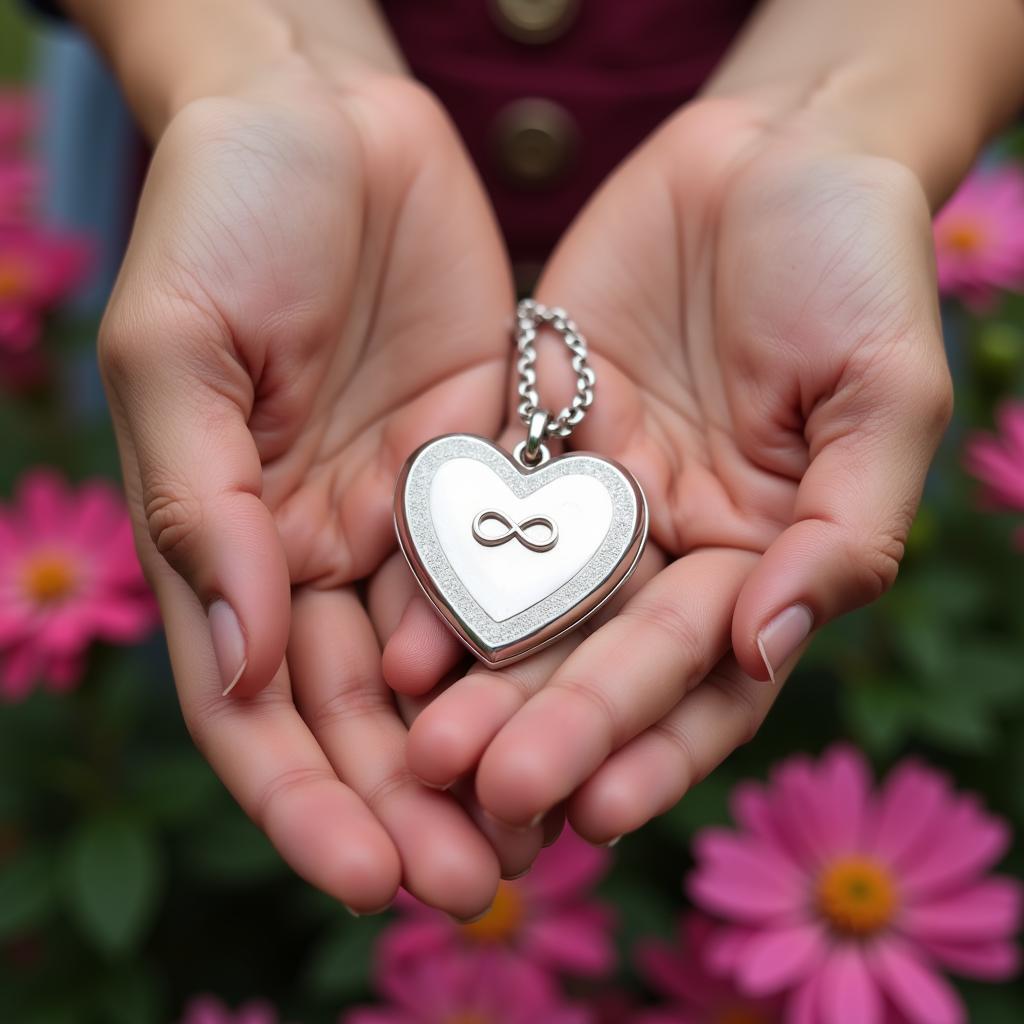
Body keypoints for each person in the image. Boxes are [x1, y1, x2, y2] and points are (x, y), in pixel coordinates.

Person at [51, 0, 1024, 919]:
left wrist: (850, 110)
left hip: (771, 371)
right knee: (224, 592)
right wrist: (263, 59)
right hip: (291, 362)